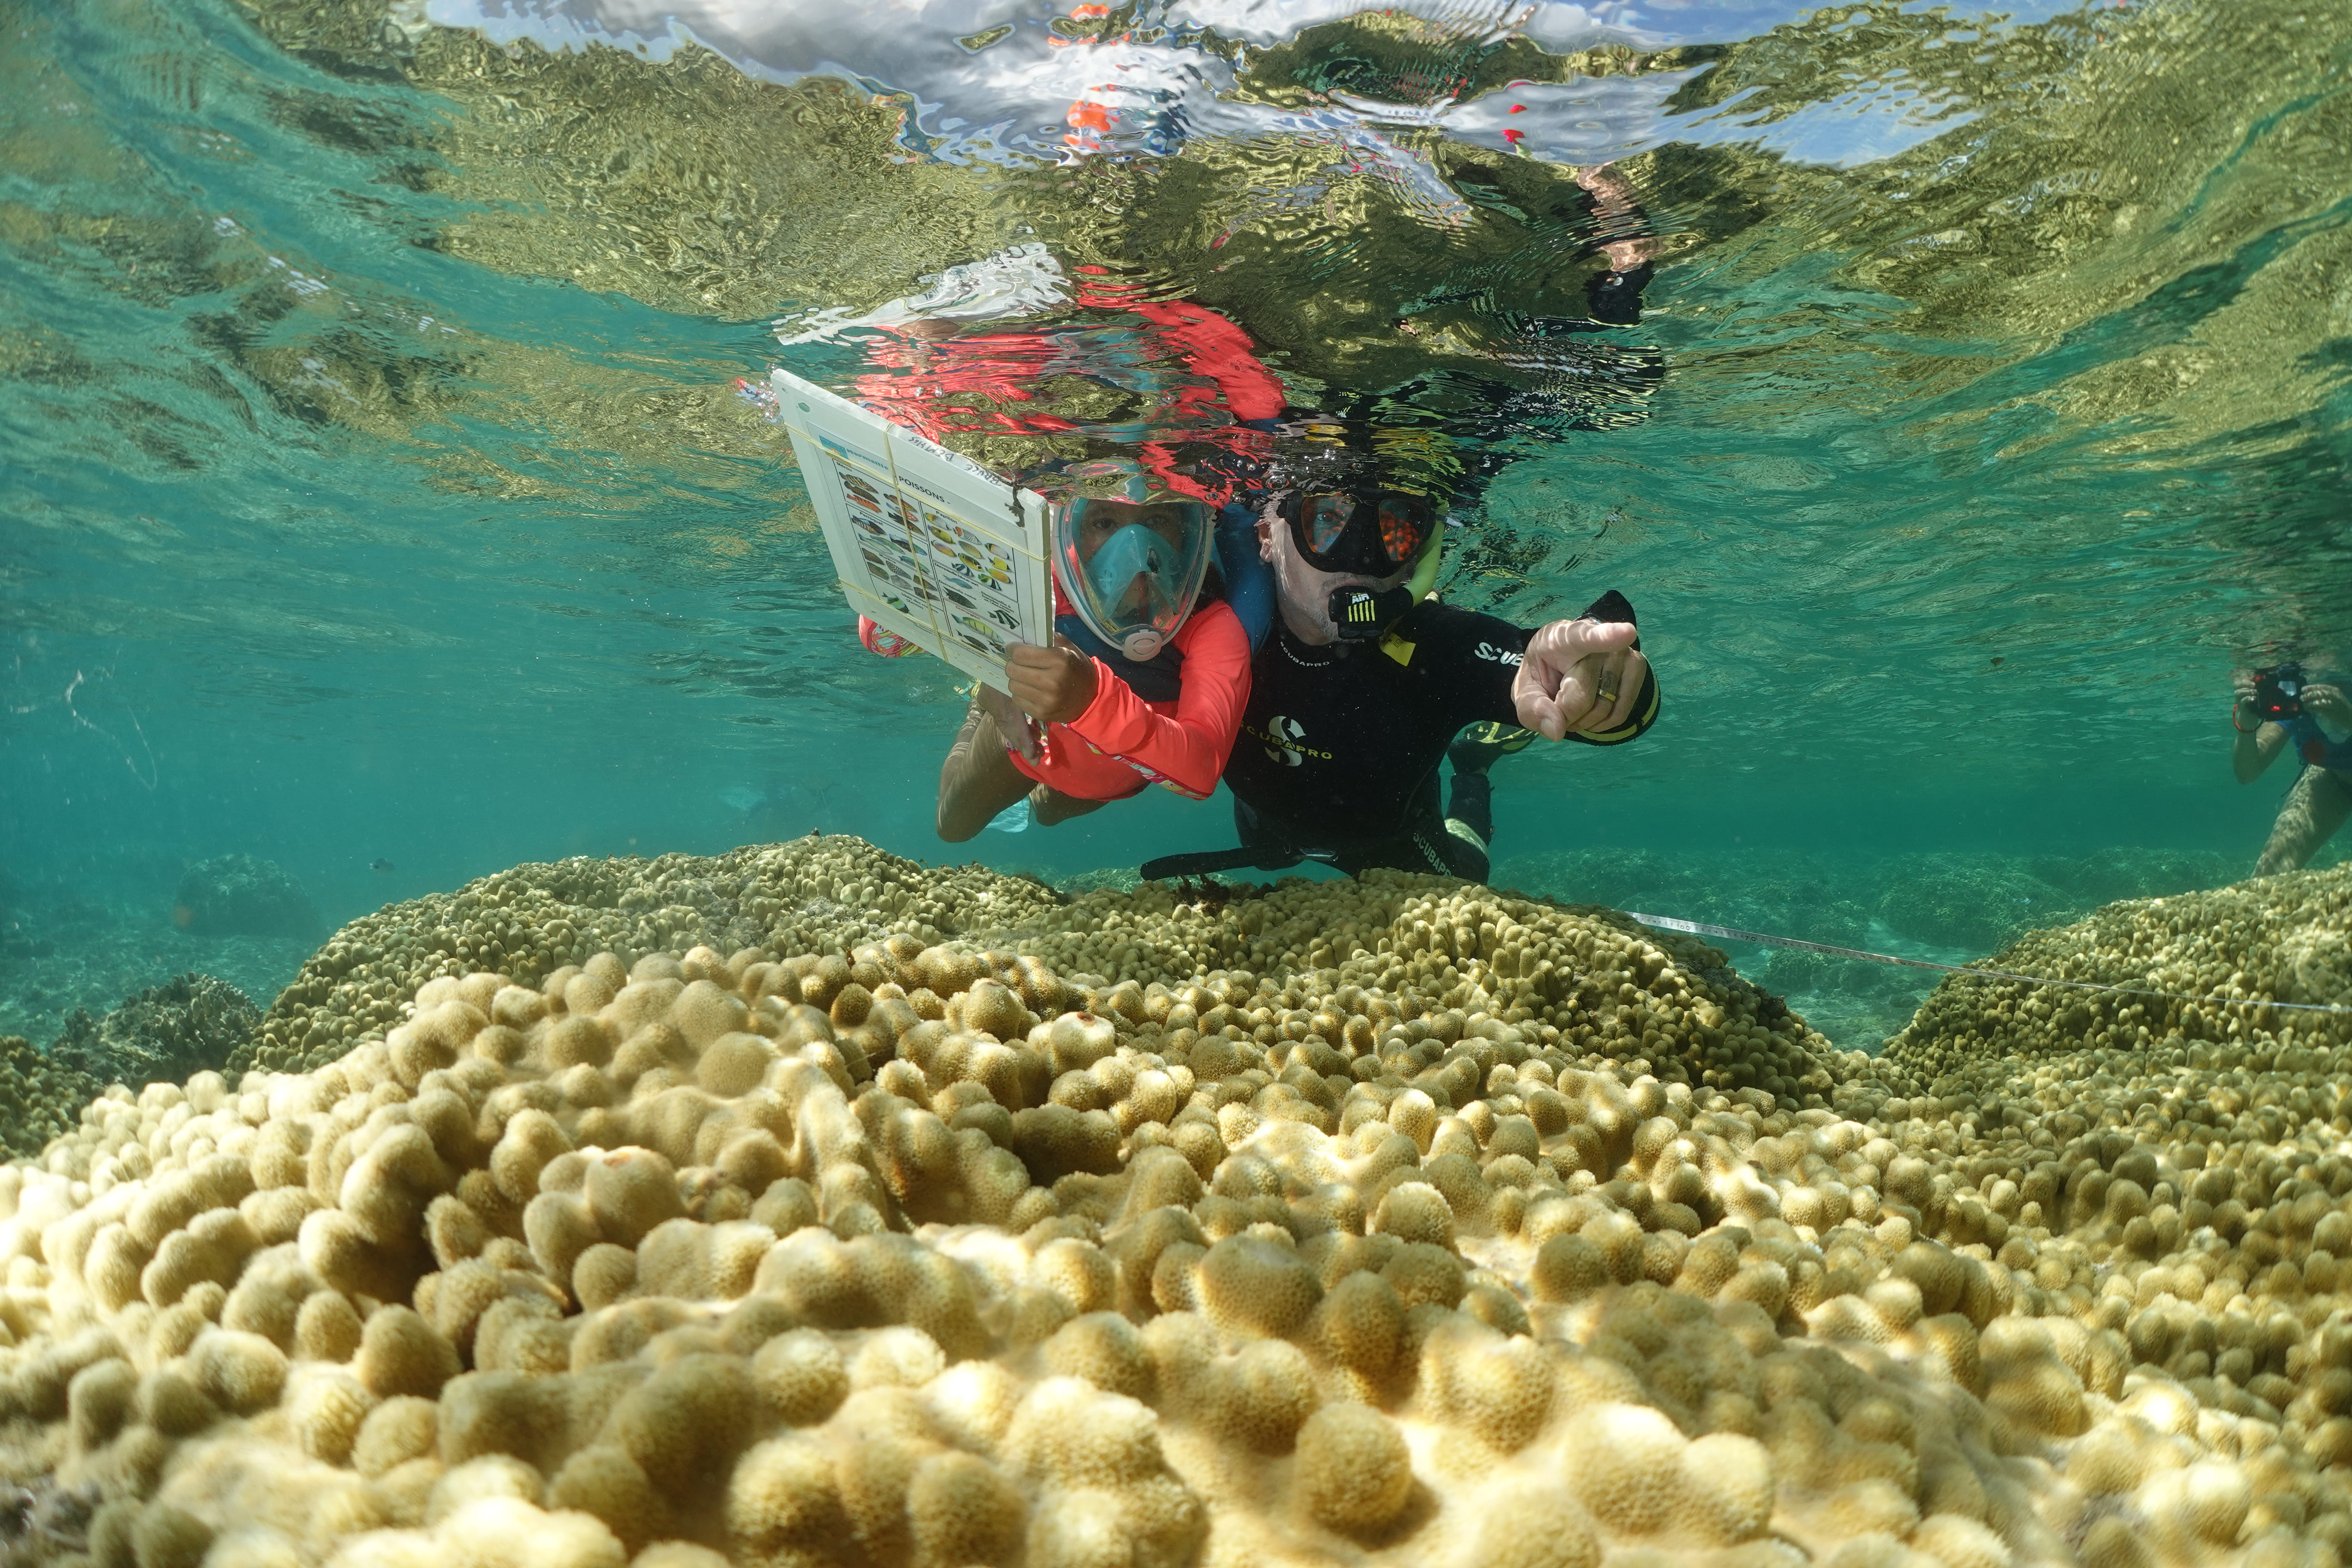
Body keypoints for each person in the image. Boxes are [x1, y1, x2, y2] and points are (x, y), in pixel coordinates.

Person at [1142, 416, 1660, 883]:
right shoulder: (1210, 625)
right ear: (1266, 536)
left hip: (1391, 838)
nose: (1364, 558)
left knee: (1467, 880)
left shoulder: (1430, 648)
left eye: (1396, 530)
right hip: (1262, 825)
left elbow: (1583, 693)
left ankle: (1474, 767)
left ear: (1417, 560)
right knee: (1271, 857)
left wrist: (1601, 676)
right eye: (1327, 520)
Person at [934, 478, 1253, 842]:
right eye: (1105, 523)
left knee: (1047, 814)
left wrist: (1091, 701)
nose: (1135, 548)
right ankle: (979, 707)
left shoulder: (1211, 625)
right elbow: (890, 632)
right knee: (953, 829)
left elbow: (1202, 768)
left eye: (1158, 521)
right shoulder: (1040, 580)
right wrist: (989, 669)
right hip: (1019, 736)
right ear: (1071, 532)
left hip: (1111, 777)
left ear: (1190, 533)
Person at [2232, 660, 2352, 874]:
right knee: (2269, 875)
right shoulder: (2294, 697)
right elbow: (2247, 773)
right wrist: (2246, 723)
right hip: (2332, 776)